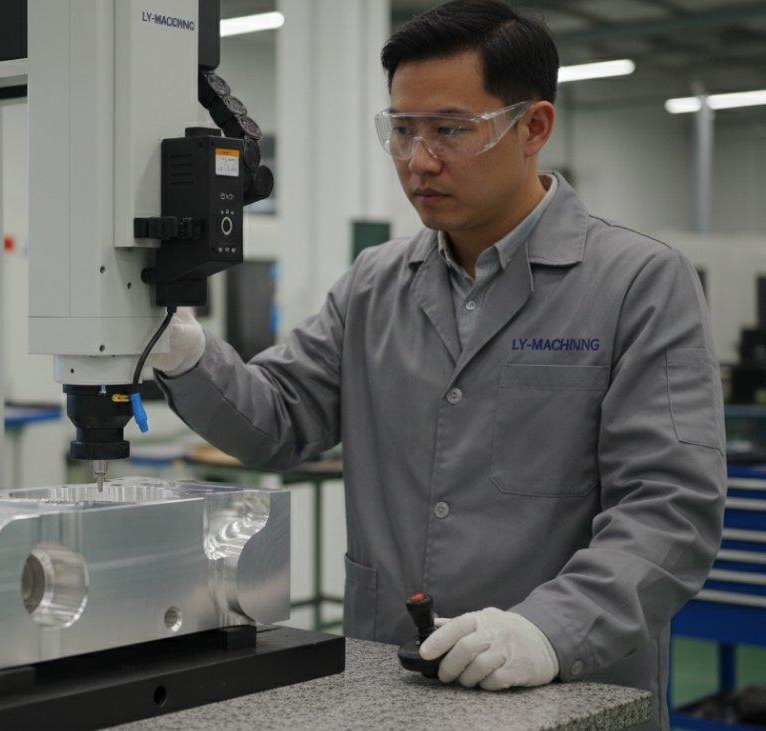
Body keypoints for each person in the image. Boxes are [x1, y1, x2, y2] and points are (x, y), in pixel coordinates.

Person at [149, 1, 725, 727]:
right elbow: (277, 419)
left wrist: (549, 628)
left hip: (570, 694)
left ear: (534, 127)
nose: (419, 160)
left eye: (451, 130)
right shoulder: (373, 283)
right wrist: (184, 350)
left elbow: (670, 511)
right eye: (401, 130)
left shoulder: (636, 282)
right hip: (389, 689)